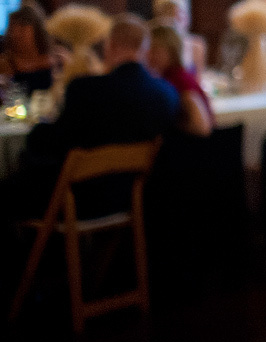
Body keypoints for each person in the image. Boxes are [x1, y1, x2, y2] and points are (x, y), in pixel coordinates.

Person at [8, 13, 180, 218]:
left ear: (111, 46)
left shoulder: (86, 89)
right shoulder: (167, 94)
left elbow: (54, 142)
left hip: (76, 200)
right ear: (145, 50)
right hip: (134, 201)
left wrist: (38, 128)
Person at [147, 24, 214, 137]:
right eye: (147, 51)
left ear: (172, 51)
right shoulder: (172, 77)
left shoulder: (178, 80)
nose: (149, 56)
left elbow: (202, 126)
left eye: (155, 50)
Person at [0, 0, 58, 96]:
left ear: (37, 30)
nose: (15, 34)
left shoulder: (58, 59)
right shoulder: (4, 63)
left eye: (22, 28)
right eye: (12, 28)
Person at [152, 0, 207, 75]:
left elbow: (197, 80)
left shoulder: (196, 44)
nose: (173, 20)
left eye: (178, 15)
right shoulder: (151, 44)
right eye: (168, 14)